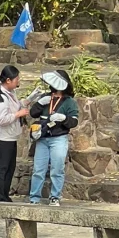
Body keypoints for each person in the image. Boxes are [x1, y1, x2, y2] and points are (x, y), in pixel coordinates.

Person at [28, 70, 79, 207]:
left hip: (59, 138)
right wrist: (40, 103)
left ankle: (55, 197)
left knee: (57, 168)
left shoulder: (69, 102)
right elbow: (33, 113)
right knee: (39, 169)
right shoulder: (46, 97)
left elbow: (74, 122)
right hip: (42, 138)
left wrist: (64, 118)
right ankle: (34, 197)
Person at [0, 65, 29, 202]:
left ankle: (4, 196)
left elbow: (14, 106)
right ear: (8, 80)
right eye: (16, 79)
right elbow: (2, 119)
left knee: (9, 168)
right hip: (1, 138)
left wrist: (24, 103)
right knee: (2, 168)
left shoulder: (10, 92)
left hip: (10, 137)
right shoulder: (0, 98)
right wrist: (19, 114)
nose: (19, 81)